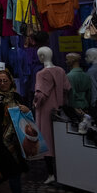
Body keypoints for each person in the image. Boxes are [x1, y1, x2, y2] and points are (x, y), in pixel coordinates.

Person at [34, 46, 70, 184]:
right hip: (59, 109)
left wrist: (35, 103)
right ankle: (63, 172)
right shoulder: (60, 70)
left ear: (42, 57)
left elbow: (41, 94)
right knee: (59, 139)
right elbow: (67, 88)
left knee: (47, 141)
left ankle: (51, 174)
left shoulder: (41, 74)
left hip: (45, 111)